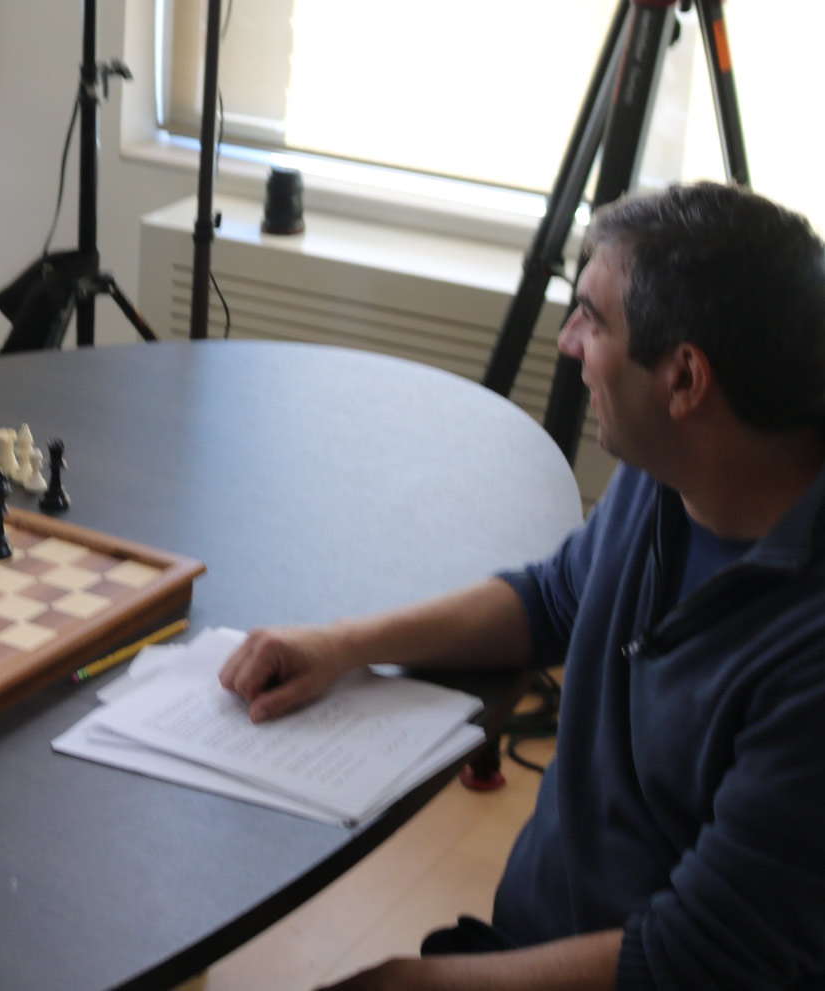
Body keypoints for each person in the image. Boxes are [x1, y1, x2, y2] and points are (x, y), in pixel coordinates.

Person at [221, 182, 825, 991]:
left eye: (593, 318)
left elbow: (691, 961)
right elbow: (553, 599)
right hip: (532, 939)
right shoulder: (680, 469)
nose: (570, 340)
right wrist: (346, 642)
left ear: (684, 381)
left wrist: (415, 983)